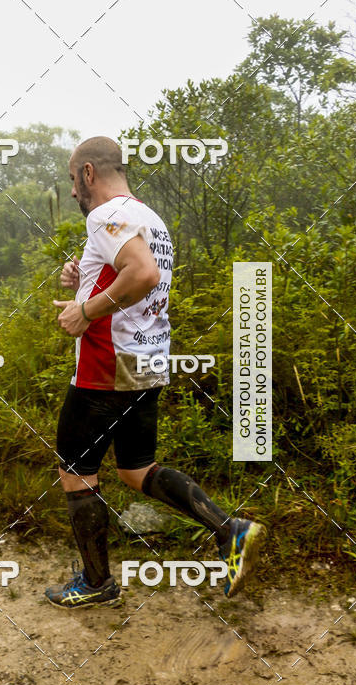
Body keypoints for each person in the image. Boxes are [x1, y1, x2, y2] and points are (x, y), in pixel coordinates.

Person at [46, 136, 266, 609]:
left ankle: (97, 582)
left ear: (88, 172)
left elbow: (142, 273)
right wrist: (84, 280)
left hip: (108, 365)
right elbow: (134, 277)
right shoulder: (150, 218)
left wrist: (86, 311)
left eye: (72, 179)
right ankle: (230, 531)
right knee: (136, 469)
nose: (72, 191)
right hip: (148, 359)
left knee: (75, 469)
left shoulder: (104, 214)